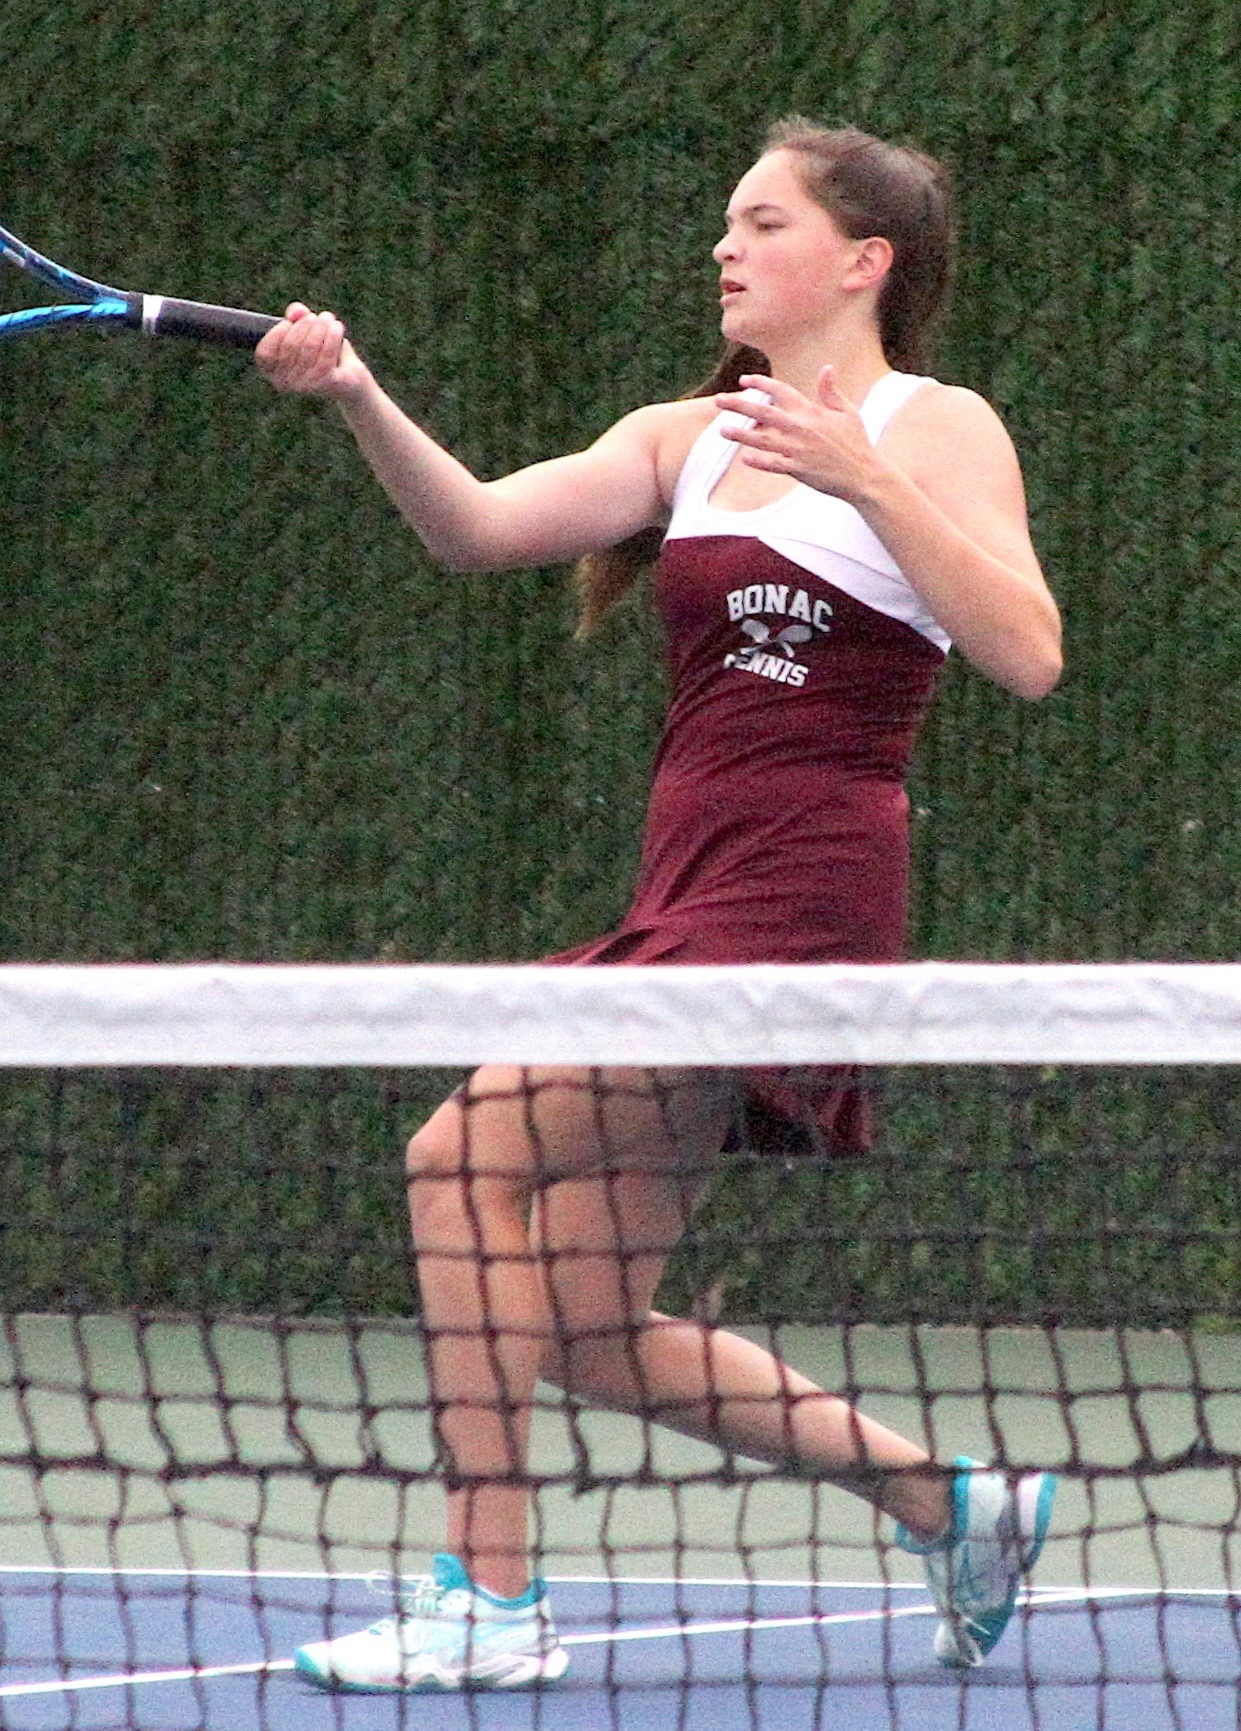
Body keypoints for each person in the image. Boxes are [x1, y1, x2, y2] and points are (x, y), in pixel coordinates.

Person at [252, 118, 1064, 1693]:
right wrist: (354, 393)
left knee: (460, 1158)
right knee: (574, 1315)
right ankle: (946, 1501)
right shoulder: (680, 439)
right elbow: (475, 528)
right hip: (683, 882)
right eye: (727, 225)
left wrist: (867, 480)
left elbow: (1027, 651)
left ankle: (486, 1600)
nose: (725, 248)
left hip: (802, 889)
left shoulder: (937, 423)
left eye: (761, 223)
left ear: (862, 261)